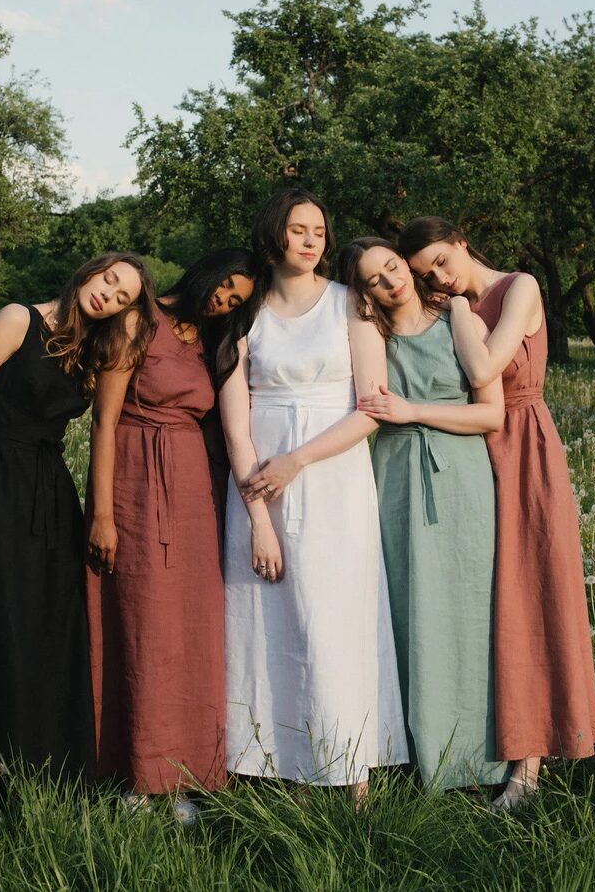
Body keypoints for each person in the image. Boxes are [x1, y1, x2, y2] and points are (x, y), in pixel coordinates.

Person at [0, 253, 152, 831]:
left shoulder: (92, 352)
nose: (109, 295)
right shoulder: (16, 320)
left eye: (124, 295)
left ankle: (43, 777)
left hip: (53, 497)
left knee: (49, 633)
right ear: (88, 271)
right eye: (109, 280)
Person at [399, 216, 595, 807]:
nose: (438, 275)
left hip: (522, 448)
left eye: (440, 259)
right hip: (469, 453)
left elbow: (485, 369)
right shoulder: (445, 307)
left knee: (527, 596)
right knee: (482, 604)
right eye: (425, 273)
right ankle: (465, 745)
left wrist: (460, 309)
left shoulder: (520, 287)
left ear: (461, 241)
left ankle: (529, 767)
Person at [222, 190, 408, 802]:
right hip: (259, 484)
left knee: (337, 618)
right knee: (268, 619)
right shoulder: (245, 314)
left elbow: (373, 408)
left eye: (320, 231)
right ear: (274, 235)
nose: (311, 240)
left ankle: (354, 770)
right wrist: (258, 518)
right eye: (299, 230)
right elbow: (236, 423)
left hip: (334, 478)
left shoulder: (348, 304)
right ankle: (285, 765)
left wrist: (298, 461)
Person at [86, 247, 257, 821]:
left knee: (192, 629)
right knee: (142, 621)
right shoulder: (139, 320)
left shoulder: (210, 343)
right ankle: (139, 775)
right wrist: (103, 514)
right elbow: (104, 421)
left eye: (236, 301)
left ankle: (186, 775)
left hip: (192, 491)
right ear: (207, 269)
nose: (224, 300)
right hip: (135, 474)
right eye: (225, 287)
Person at [340, 236, 511, 792]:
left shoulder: (455, 319)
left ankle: (477, 755)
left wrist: (413, 410)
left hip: (461, 474)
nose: (392, 281)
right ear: (364, 292)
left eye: (393, 267)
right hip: (392, 474)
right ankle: (415, 752)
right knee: (406, 608)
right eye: (375, 279)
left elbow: (491, 415)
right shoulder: (371, 336)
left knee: (467, 608)